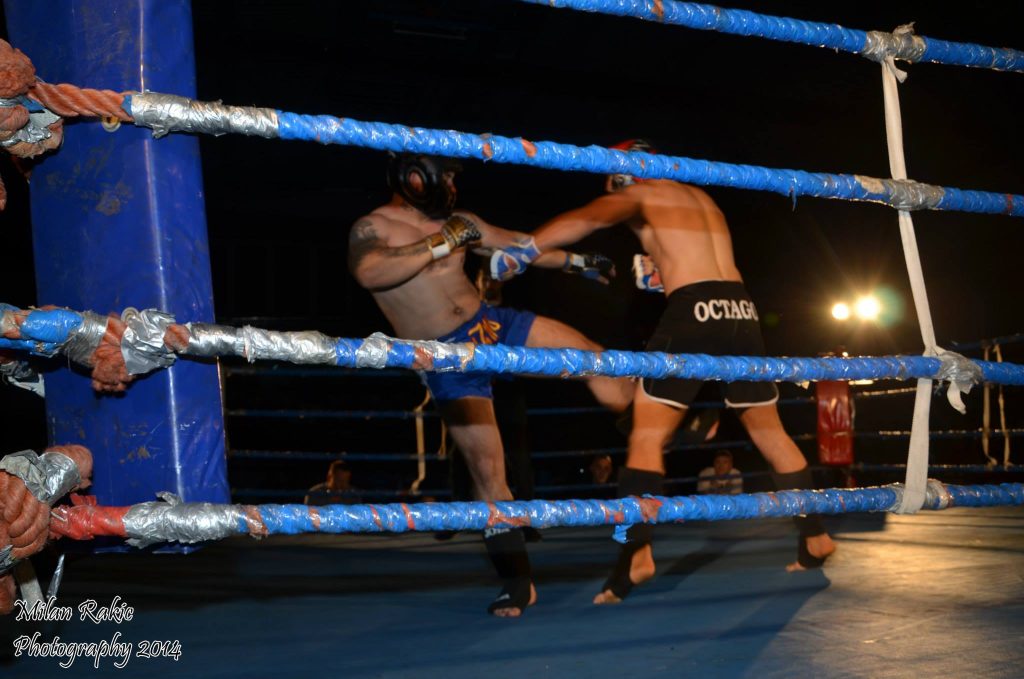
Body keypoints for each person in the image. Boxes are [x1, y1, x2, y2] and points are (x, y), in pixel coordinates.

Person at [516, 139, 835, 605]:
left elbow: (589, 218)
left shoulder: (641, 192)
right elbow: (698, 260)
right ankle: (816, 536)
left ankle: (636, 554)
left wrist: (527, 247)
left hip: (695, 310)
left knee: (645, 435)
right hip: (742, 311)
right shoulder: (699, 195)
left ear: (624, 173)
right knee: (770, 432)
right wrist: (659, 272)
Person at [348, 153, 634, 616]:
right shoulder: (373, 227)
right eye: (447, 177)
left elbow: (521, 244)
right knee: (489, 476)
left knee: (592, 356)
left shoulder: (462, 220)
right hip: (446, 357)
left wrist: (579, 261)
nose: (453, 187)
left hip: (491, 325)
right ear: (416, 178)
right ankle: (518, 585)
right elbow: (369, 272)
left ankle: (650, 427)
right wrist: (444, 241)